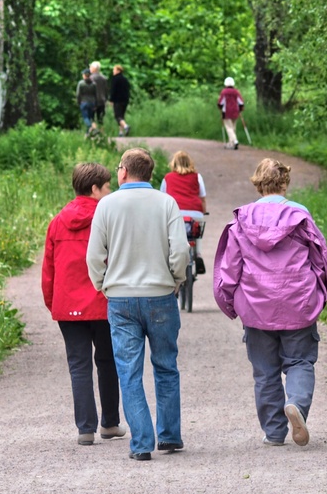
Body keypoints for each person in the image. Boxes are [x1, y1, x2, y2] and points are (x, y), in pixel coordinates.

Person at [213, 158, 327, 447]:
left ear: (257, 183)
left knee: (265, 372)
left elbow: (229, 269)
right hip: (298, 302)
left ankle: (274, 432)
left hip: (255, 307)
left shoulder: (241, 220)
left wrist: (228, 302)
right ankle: (297, 406)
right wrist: (320, 293)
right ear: (285, 182)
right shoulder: (300, 216)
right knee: (300, 360)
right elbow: (321, 260)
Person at [86, 148, 189, 461]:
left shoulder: (107, 205)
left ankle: (142, 443)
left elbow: (93, 255)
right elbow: (181, 251)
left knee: (129, 372)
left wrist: (103, 285)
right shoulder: (166, 203)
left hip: (121, 299)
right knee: (166, 366)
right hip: (160, 295)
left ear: (123, 171)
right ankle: (169, 436)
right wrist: (176, 280)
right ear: (149, 174)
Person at [41, 162, 126, 446]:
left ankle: (85, 429)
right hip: (103, 302)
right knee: (108, 362)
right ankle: (110, 423)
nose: (110, 191)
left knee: (78, 366)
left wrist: (54, 303)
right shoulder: (108, 218)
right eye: (107, 187)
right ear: (94, 189)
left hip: (68, 306)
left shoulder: (57, 221)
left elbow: (49, 269)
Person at [160, 150, 207, 274]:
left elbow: (162, 198)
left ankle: (171, 256)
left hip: (175, 214)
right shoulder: (197, 176)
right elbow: (202, 197)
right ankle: (198, 254)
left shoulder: (168, 178)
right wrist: (203, 211)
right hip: (195, 213)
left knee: (171, 235)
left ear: (174, 163)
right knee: (196, 233)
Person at [217, 77, 244, 150]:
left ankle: (235, 141)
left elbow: (220, 102)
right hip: (235, 112)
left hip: (227, 112)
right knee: (233, 127)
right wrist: (241, 109)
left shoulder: (224, 92)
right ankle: (231, 143)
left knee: (229, 128)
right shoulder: (236, 92)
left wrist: (220, 108)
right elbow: (241, 102)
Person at [109, 64, 131, 137]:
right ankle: (120, 132)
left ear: (118, 70)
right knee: (122, 116)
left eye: (114, 70)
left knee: (117, 116)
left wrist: (111, 100)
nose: (113, 71)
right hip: (125, 100)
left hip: (117, 100)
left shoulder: (115, 79)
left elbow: (113, 90)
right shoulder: (125, 79)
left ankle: (126, 126)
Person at [76, 68, 98, 137]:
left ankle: (91, 128)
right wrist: (95, 104)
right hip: (92, 103)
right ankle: (88, 133)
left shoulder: (81, 83)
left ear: (85, 75)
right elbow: (95, 94)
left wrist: (79, 102)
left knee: (85, 117)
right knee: (91, 118)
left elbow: (78, 94)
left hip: (84, 102)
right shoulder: (94, 84)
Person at [89, 61, 109, 125]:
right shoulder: (104, 78)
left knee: (91, 117)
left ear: (94, 68)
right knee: (100, 118)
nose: (90, 68)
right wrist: (106, 99)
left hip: (93, 100)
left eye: (91, 67)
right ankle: (102, 133)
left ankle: (94, 130)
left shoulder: (90, 78)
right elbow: (106, 90)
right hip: (102, 100)